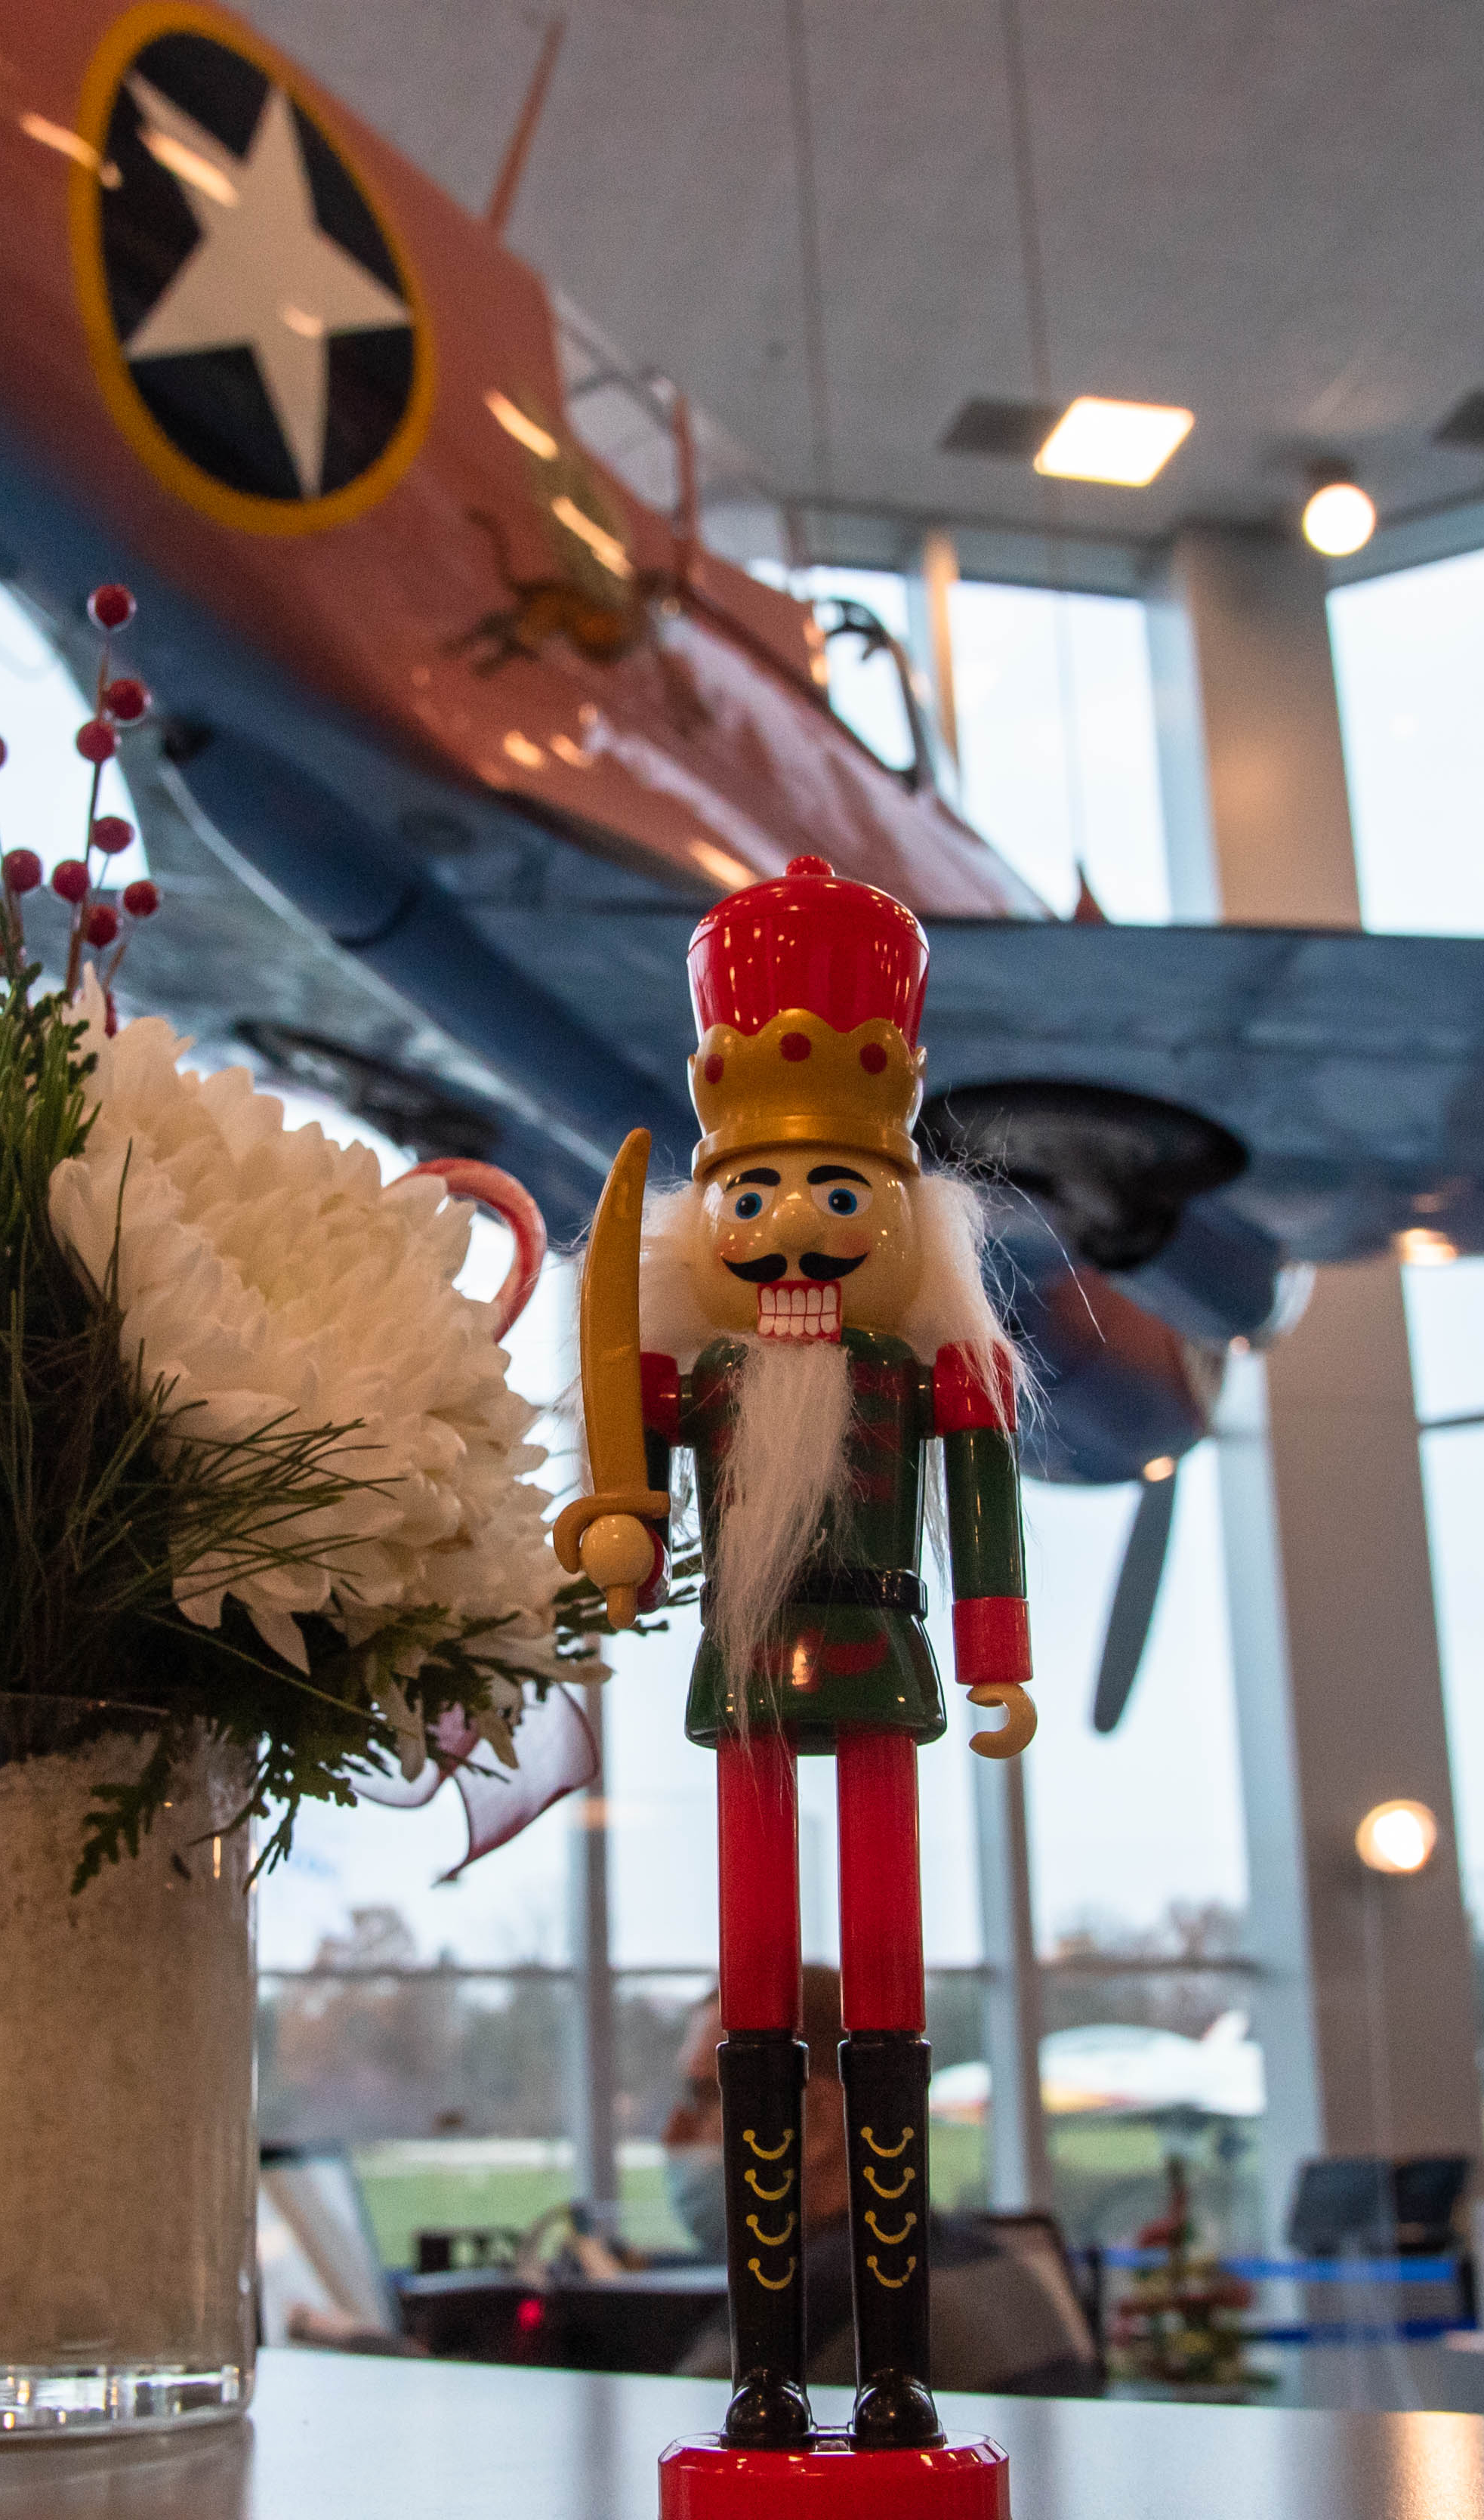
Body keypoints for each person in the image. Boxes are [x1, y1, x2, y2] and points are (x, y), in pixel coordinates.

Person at [557, 855, 1043, 2454]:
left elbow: (982, 1521)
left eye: (834, 1195)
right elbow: (625, 1494)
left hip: (886, 1674)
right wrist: (614, 1536)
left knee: (883, 2008)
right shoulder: (701, 1388)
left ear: (900, 1208)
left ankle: (893, 2371)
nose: (787, 1235)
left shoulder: (925, 1376)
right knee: (755, 2004)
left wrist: (992, 1653)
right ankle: (766, 2374)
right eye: (752, 1199)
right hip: (751, 1681)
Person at [663, 1972, 1102, 2404]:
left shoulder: (817, 2300)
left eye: (710, 2093)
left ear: (814, 2117)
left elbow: (690, 2445)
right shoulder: (992, 2258)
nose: (674, 2133)